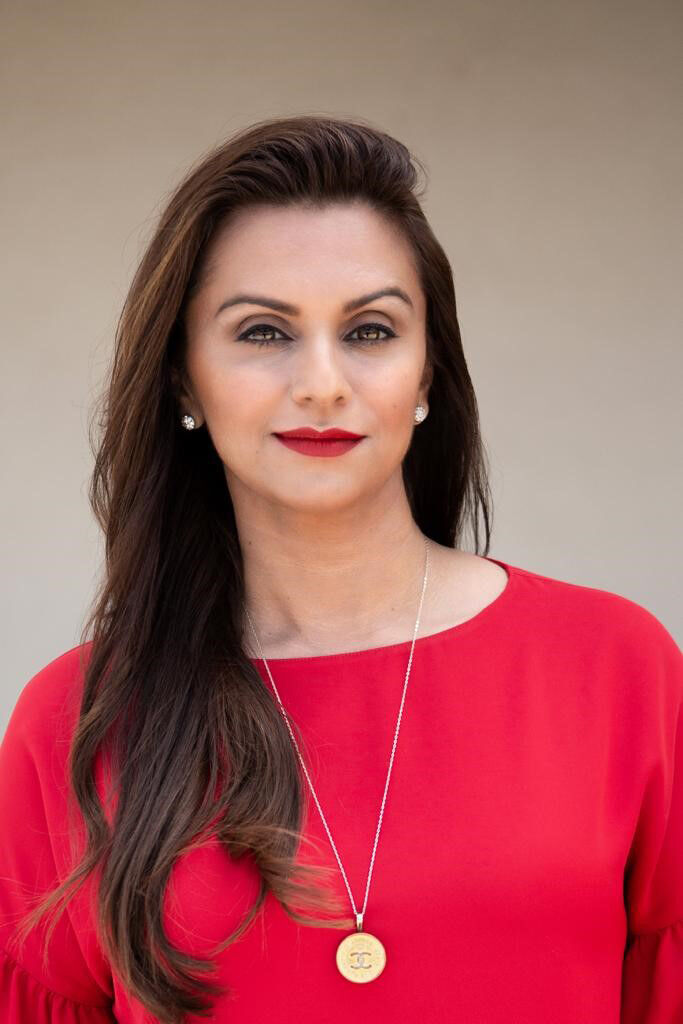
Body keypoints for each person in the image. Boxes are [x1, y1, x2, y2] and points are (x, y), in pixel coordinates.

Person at [0, 114, 681, 1024]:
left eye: (368, 330)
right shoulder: (76, 721)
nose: (322, 383)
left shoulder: (615, 667)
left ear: (427, 372)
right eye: (262, 332)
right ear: (183, 380)